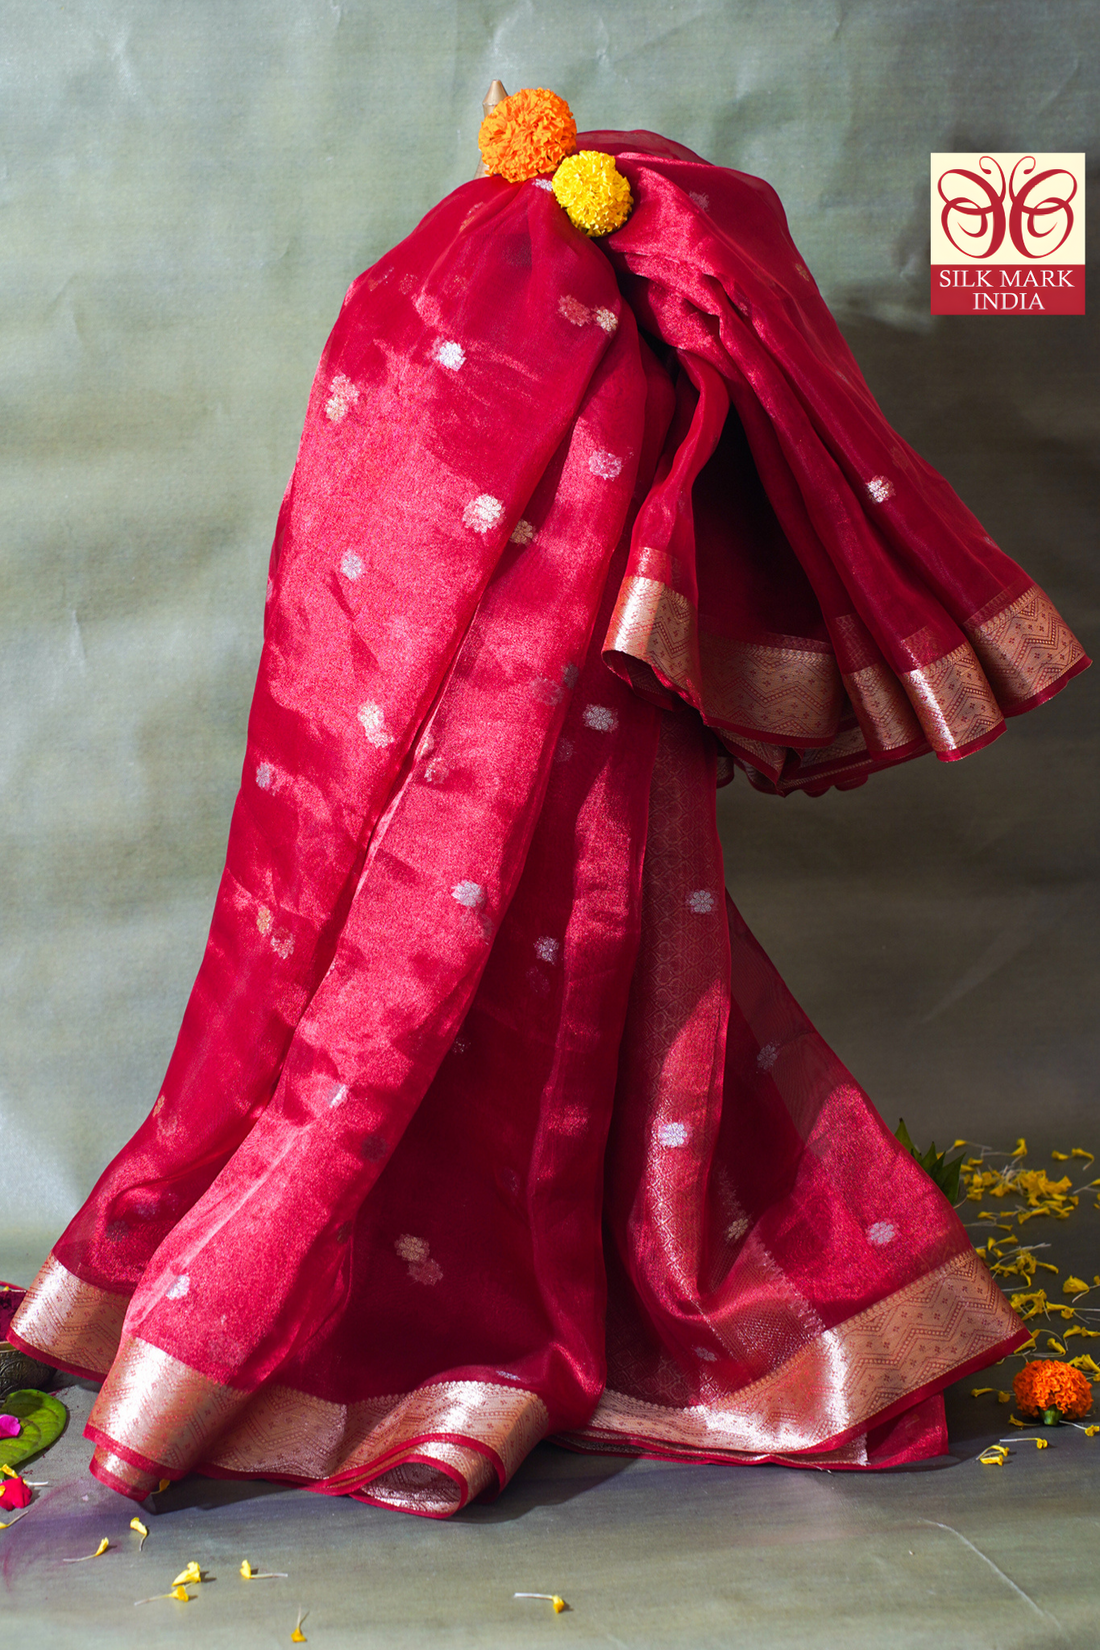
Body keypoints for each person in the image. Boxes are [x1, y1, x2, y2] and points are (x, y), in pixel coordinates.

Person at [11, 89, 1088, 1518]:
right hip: (577, 740)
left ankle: (332, 1322)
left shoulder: (432, 331)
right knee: (548, 971)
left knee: (549, 969)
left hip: (570, 745)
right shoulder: (563, 346)